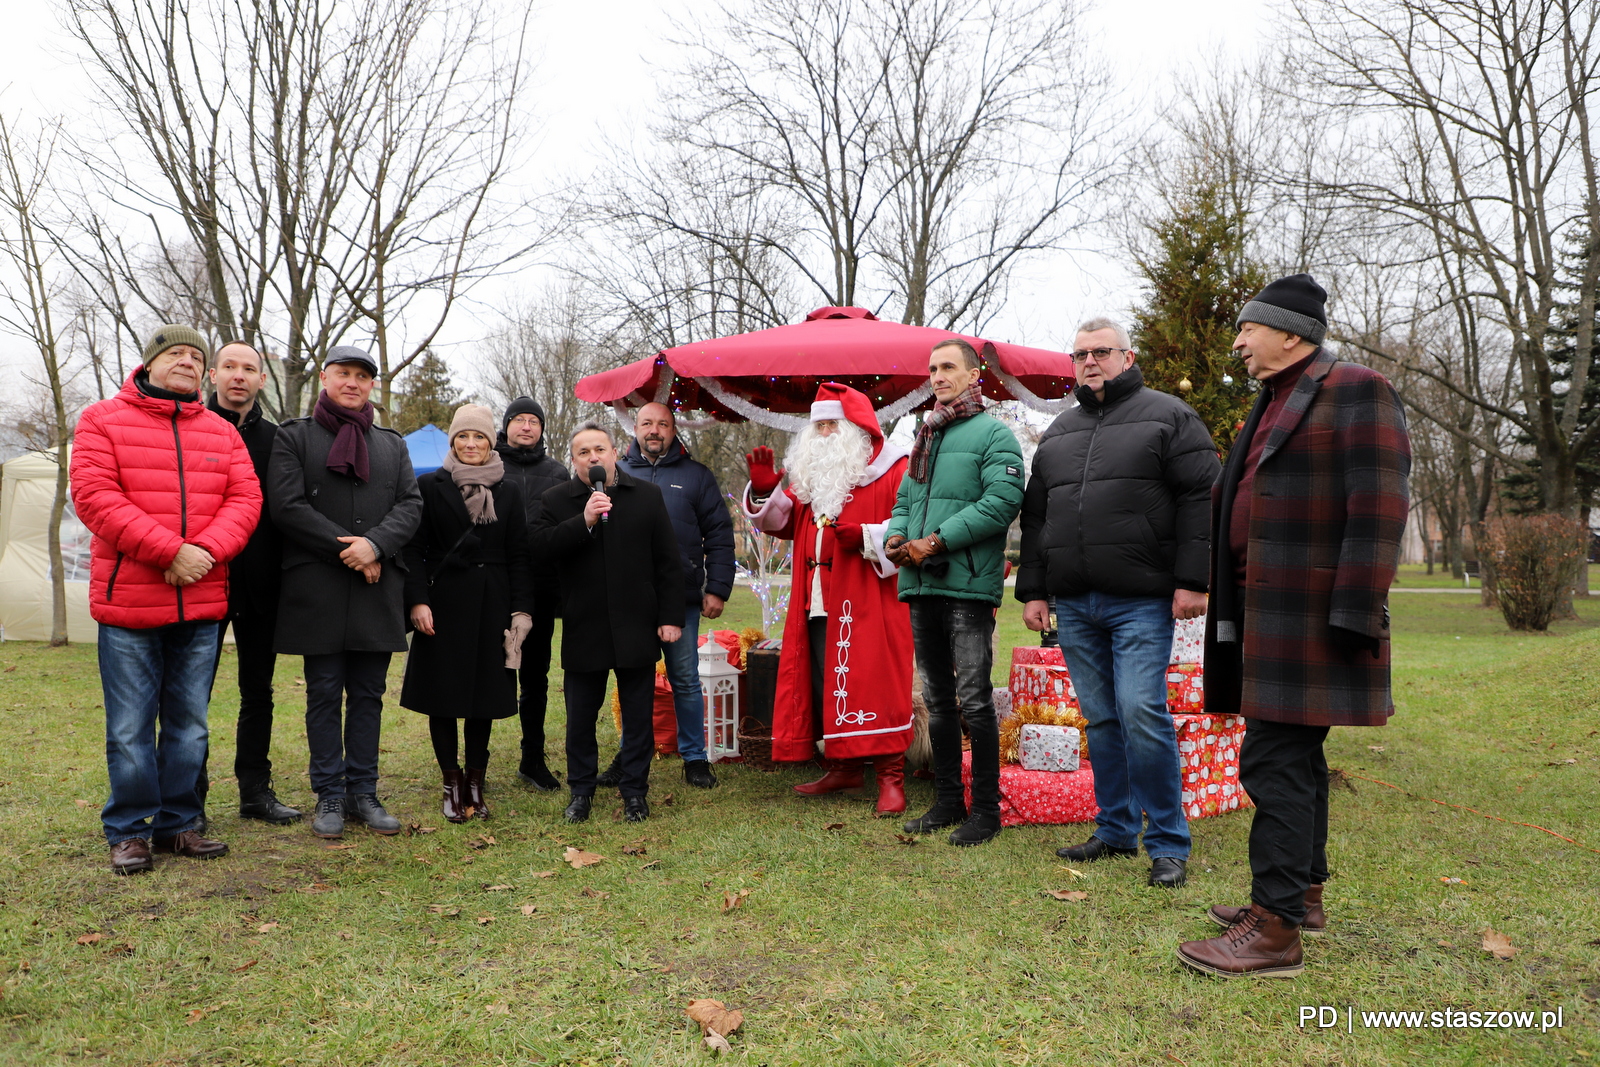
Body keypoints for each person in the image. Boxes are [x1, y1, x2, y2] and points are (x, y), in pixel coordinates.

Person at [1177, 274, 1411, 978]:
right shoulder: (1272, 401)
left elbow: (1380, 506)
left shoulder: (1356, 389)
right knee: (1297, 758)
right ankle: (1302, 894)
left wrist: (1353, 612)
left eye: (1249, 329)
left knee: (1272, 760)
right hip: (1261, 615)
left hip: (1313, 619)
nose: (1239, 342)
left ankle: (1274, 928)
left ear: (1289, 332)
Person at [1017, 317, 1220, 889]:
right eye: (1079, 353)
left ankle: (1168, 842)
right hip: (1075, 602)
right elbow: (1037, 519)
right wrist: (1033, 589)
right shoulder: (1058, 432)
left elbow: (1201, 502)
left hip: (1142, 601)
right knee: (1101, 718)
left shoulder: (1170, 417)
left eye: (1101, 351)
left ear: (1127, 357)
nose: (1089, 361)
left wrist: (1193, 579)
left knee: (1140, 713)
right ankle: (1113, 829)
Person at [70, 325, 262, 874]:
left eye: (195, 356)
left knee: (190, 724)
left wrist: (204, 551)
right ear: (150, 364)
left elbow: (245, 499)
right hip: (130, 604)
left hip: (200, 605)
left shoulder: (222, 434)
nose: (186, 361)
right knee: (130, 726)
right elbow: (95, 496)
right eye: (175, 353)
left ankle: (180, 823)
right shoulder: (102, 421)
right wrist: (169, 553)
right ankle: (129, 830)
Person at [269, 346, 422, 840]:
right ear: (324, 377)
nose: (353, 382)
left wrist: (375, 545)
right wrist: (351, 549)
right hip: (319, 587)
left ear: (372, 385)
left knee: (369, 695)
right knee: (323, 693)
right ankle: (329, 794)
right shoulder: (296, 437)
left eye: (362, 376)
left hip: (377, 588)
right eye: (343, 374)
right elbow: (288, 507)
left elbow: (409, 505)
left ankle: (363, 791)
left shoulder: (391, 445)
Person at [741, 383, 914, 815]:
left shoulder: (894, 468)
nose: (822, 435)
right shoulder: (813, 476)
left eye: (831, 425)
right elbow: (784, 523)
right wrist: (764, 493)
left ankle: (891, 777)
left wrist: (872, 538)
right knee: (824, 682)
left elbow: (914, 524)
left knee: (876, 683)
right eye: (816, 426)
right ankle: (843, 767)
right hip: (817, 598)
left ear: (855, 428)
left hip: (870, 596)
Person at [884, 339, 1024, 846]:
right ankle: (947, 801)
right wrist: (898, 538)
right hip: (920, 583)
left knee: (974, 700)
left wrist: (937, 541)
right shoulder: (926, 434)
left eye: (947, 368)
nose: (938, 376)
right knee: (939, 700)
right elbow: (905, 500)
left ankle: (985, 812)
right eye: (932, 369)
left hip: (965, 585)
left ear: (972, 376)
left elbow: (1002, 502)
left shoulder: (994, 435)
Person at [532, 422, 684, 824]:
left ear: (615, 453)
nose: (593, 457)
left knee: (638, 716)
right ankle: (580, 792)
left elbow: (668, 561)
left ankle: (634, 791)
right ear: (574, 460)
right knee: (580, 717)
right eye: (583, 452)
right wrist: (582, 521)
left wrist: (669, 617)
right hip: (585, 625)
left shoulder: (647, 496)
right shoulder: (555, 499)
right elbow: (542, 550)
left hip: (637, 622)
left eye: (599, 448)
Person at [400, 404, 534, 823]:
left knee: (482, 698)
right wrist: (417, 600)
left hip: (492, 605)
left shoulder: (508, 490)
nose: (471, 444)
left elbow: (519, 556)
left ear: (491, 441)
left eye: (479, 437)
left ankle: (475, 782)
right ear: (453, 441)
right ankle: (450, 782)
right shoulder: (430, 485)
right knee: (443, 696)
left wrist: (520, 611)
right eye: (463, 437)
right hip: (442, 604)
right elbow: (414, 551)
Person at [195, 340, 300, 828]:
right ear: (212, 376)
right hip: (199, 583)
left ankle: (255, 789)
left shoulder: (280, 441)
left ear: (262, 380)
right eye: (230, 367)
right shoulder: (188, 430)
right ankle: (187, 795)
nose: (239, 376)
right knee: (191, 694)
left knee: (258, 692)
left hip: (263, 587)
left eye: (250, 369)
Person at [609, 401, 736, 790]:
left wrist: (716, 588)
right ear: (635, 427)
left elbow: (719, 535)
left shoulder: (696, 476)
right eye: (647, 423)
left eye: (662, 424)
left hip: (680, 598)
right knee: (633, 680)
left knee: (683, 679)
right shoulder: (615, 473)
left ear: (673, 429)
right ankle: (631, 754)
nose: (654, 430)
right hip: (628, 600)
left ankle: (694, 758)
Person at [493, 396, 569, 791]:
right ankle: (475, 764)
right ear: (506, 426)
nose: (526, 426)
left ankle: (532, 758)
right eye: (518, 420)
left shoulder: (557, 473)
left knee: (535, 679)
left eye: (533, 421)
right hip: (493, 589)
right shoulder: (488, 466)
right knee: (488, 675)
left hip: (540, 592)